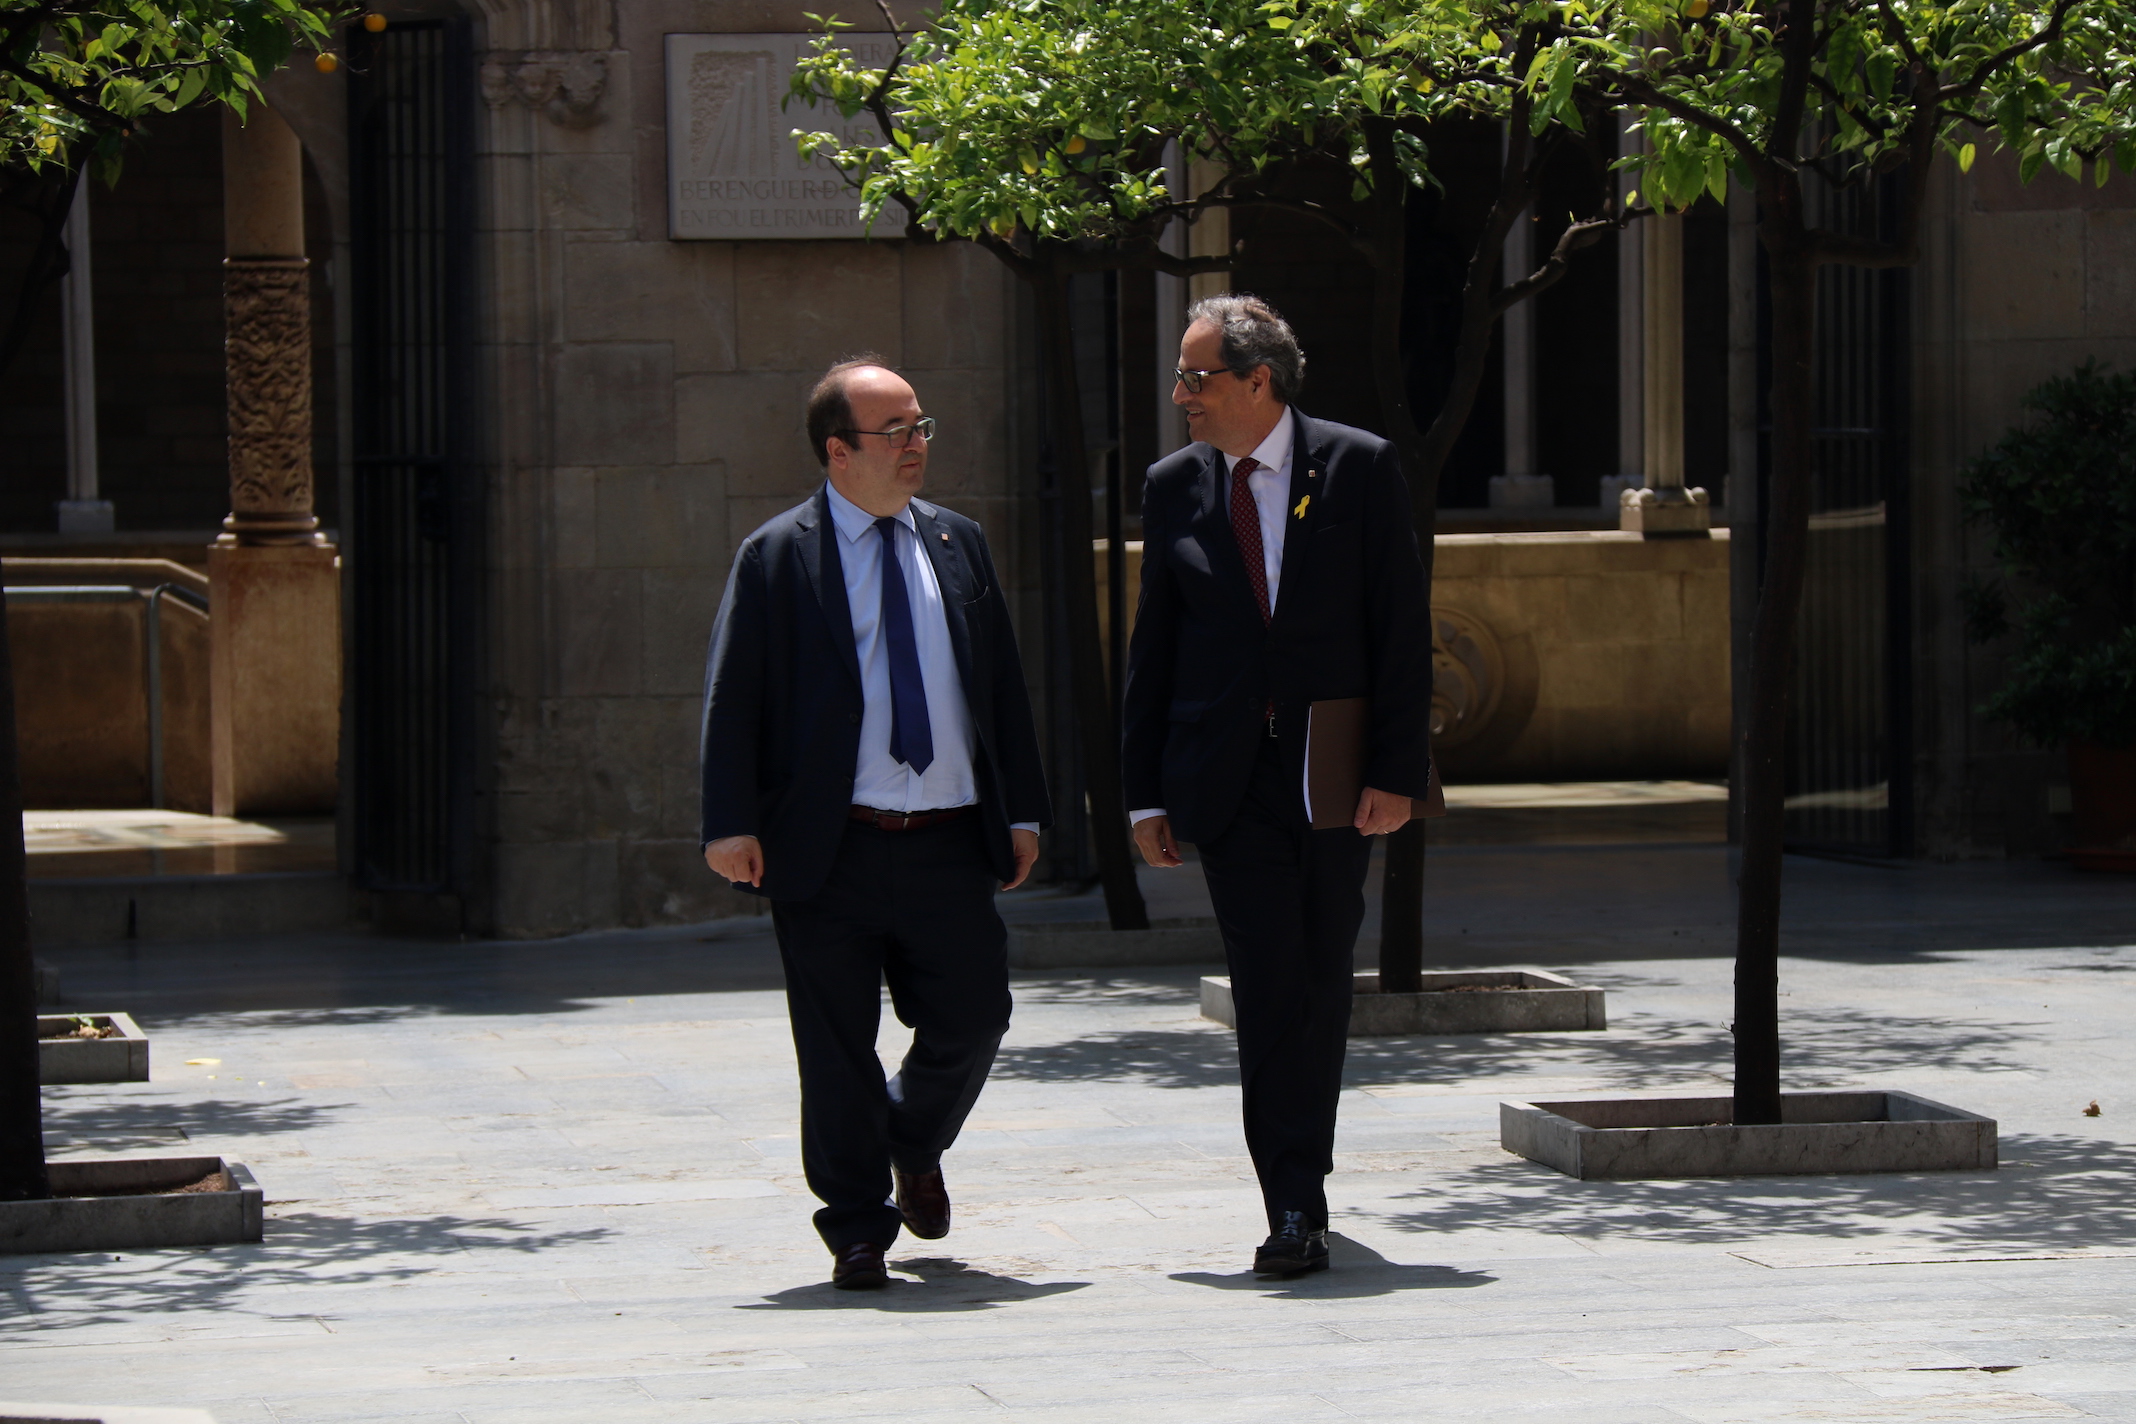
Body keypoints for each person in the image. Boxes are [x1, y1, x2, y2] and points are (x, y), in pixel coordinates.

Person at [700, 355, 1050, 1290]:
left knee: (975, 1020)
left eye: (921, 427)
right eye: (895, 433)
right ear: (837, 451)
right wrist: (729, 822)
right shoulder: (778, 556)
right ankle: (856, 1225)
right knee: (834, 1048)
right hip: (830, 845)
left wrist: (1025, 810)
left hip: (946, 836)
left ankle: (911, 1137)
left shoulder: (958, 544)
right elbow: (734, 698)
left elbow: (1002, 691)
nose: (916, 448)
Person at [1122, 295, 1433, 1277]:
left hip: (1333, 771)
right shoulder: (1174, 485)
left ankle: (1308, 1161)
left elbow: (1399, 628)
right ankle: (1292, 1198)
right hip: (1227, 777)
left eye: (1197, 377)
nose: (1181, 396)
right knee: (1265, 980)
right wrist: (1143, 794)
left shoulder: (1359, 467)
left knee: (1320, 973)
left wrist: (1397, 772)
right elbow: (1153, 649)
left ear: (1259, 382)